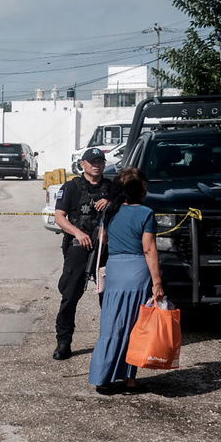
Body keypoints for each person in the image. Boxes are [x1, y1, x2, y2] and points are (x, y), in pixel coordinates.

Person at [88, 168, 164, 394]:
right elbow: (149, 250)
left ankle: (102, 377)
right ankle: (130, 379)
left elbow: (104, 238)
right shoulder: (146, 213)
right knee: (134, 327)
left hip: (115, 270)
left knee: (111, 325)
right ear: (139, 190)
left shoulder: (109, 211)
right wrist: (157, 282)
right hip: (137, 272)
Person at [52, 147, 111, 360]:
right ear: (82, 164)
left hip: (104, 250)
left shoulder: (112, 187)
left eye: (100, 161)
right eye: (92, 161)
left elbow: (127, 208)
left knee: (108, 297)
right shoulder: (71, 187)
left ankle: (109, 341)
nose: (96, 165)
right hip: (79, 247)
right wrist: (77, 233)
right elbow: (60, 217)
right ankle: (63, 342)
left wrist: (111, 203)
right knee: (69, 296)